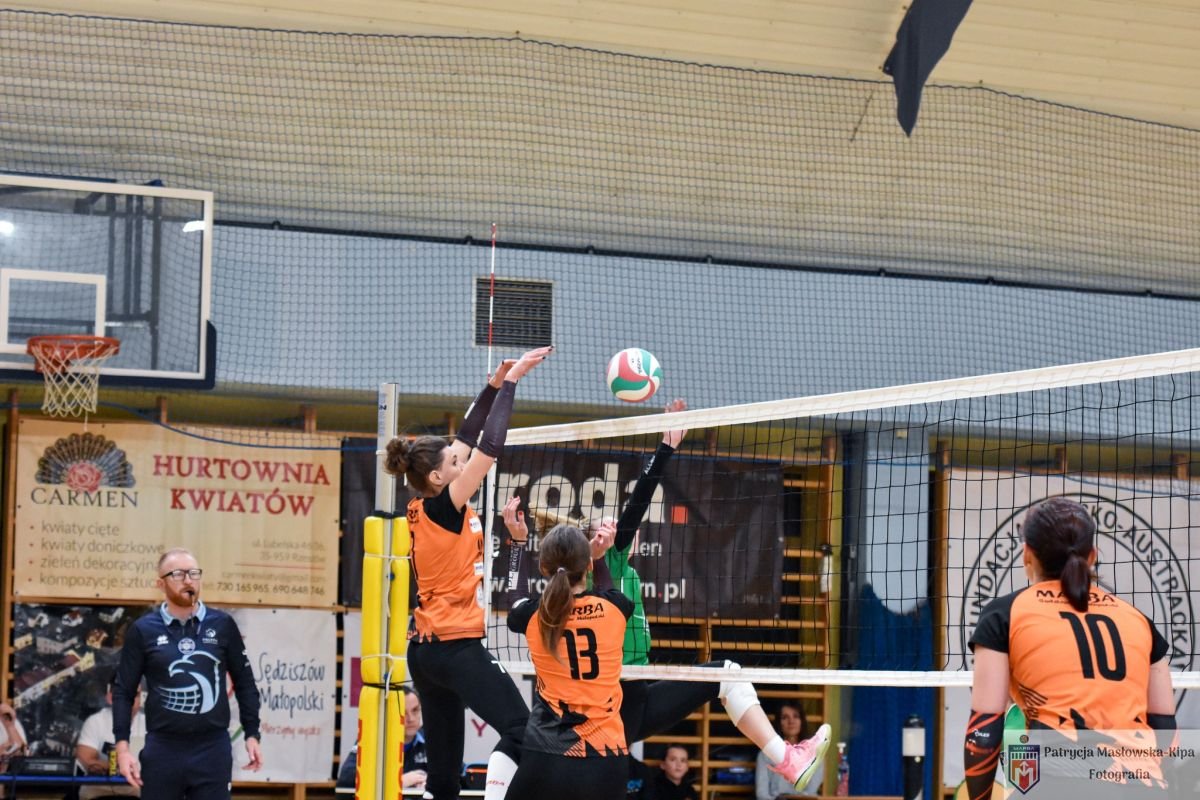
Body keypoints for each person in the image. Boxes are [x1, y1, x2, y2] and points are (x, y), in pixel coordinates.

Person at [509, 399, 830, 792]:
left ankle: (789, 760)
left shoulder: (608, 574)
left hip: (634, 693)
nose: (615, 525)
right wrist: (666, 446)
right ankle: (785, 758)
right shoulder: (607, 568)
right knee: (727, 675)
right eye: (605, 527)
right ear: (593, 549)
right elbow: (638, 504)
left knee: (728, 676)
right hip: (616, 696)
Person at [386, 345, 551, 800]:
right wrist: (513, 381)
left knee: (442, 779)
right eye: (454, 464)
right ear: (438, 478)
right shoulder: (447, 505)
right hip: (455, 649)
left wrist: (493, 384)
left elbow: (466, 433)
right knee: (523, 731)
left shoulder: (427, 500)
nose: (461, 465)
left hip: (426, 654)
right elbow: (488, 447)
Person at [963, 497, 1175, 800]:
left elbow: (984, 730)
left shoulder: (1005, 614)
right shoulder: (1140, 621)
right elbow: (1165, 728)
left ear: (1027, 554)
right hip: (1143, 788)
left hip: (1056, 784)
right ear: (1093, 555)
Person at [112, 548, 263, 800]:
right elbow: (124, 691)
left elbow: (245, 683)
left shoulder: (222, 624)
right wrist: (122, 747)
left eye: (193, 573)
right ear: (160, 584)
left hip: (212, 748)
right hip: (163, 747)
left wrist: (252, 733)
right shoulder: (143, 630)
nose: (188, 580)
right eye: (178, 574)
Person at [505, 522, 633, 800]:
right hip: (607, 757)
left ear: (543, 568)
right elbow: (610, 593)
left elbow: (515, 597)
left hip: (547, 753)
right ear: (587, 566)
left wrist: (517, 544)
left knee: (506, 746)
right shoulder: (615, 608)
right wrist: (599, 558)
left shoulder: (532, 616)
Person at [336, 686, 426, 791]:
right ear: (389, 714)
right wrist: (397, 781)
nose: (411, 719)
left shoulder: (431, 740)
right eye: (403, 712)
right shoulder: (372, 739)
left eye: (415, 710)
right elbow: (345, 779)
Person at [76, 678, 147, 799]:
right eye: (124, 695)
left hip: (138, 790)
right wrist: (119, 768)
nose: (131, 700)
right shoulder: (95, 721)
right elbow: (87, 760)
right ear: (110, 698)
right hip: (98, 790)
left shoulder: (149, 724)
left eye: (135, 695)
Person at [756, 701, 824, 799]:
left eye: (796, 716)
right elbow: (762, 795)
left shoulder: (815, 754)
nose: (791, 721)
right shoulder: (765, 754)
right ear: (779, 723)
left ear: (802, 721)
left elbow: (810, 793)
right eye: (785, 717)